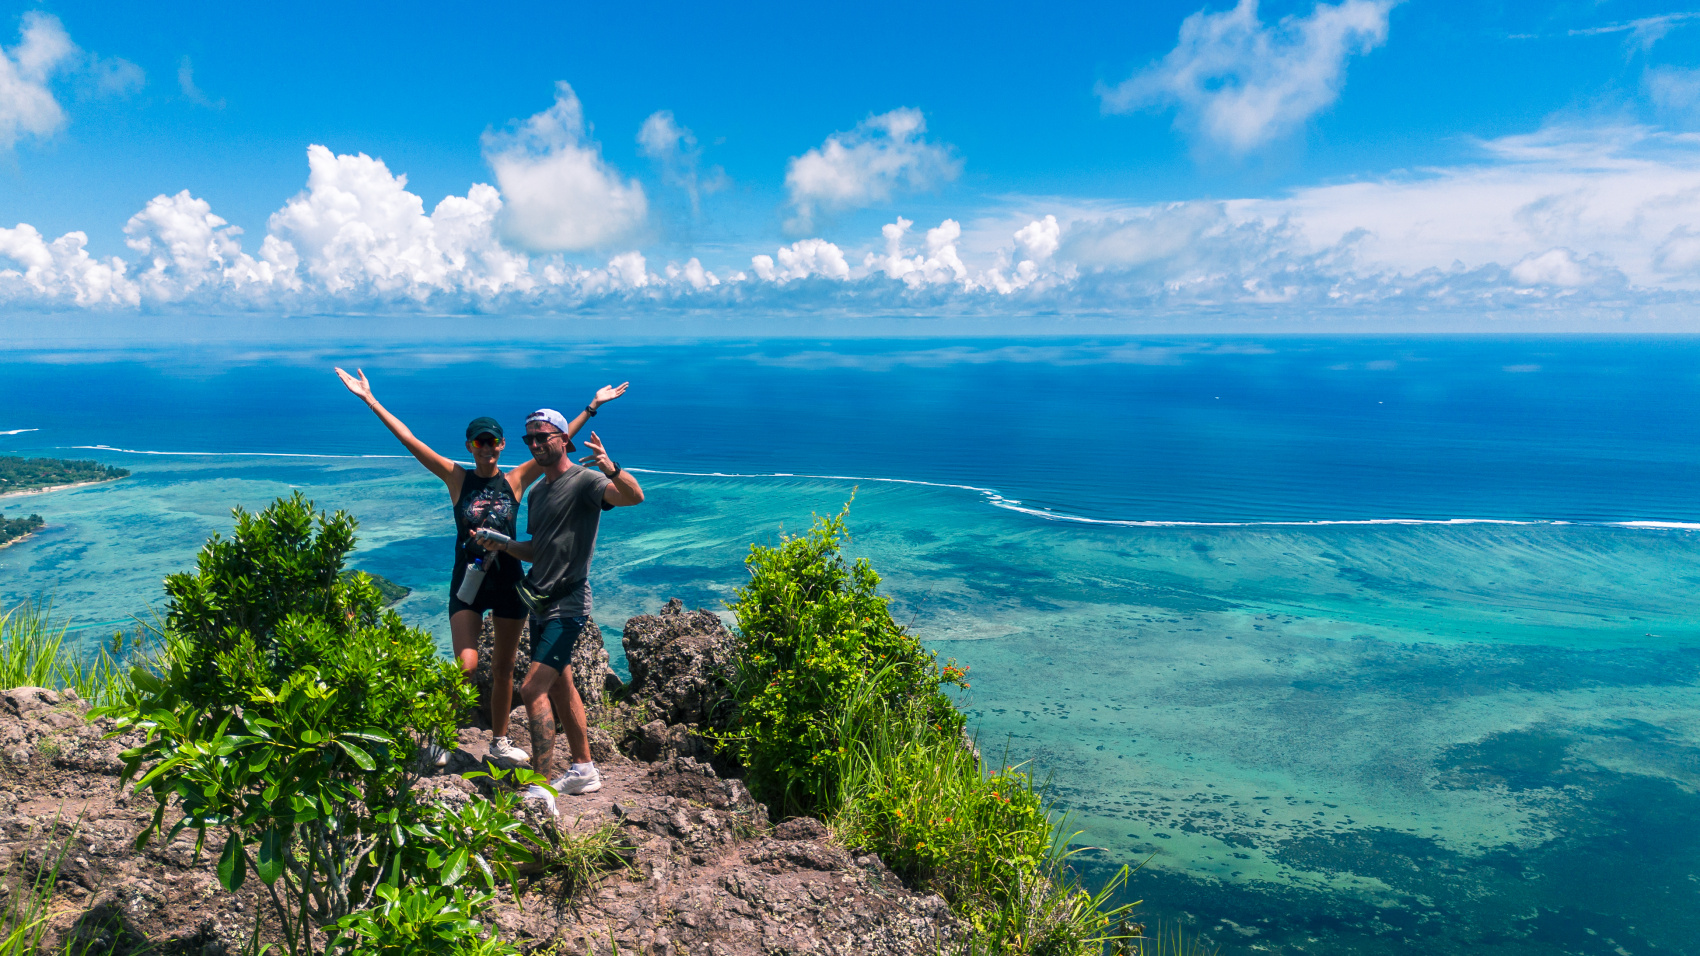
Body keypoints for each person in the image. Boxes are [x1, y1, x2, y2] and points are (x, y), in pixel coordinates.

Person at [334, 368, 628, 765]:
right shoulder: (457, 478)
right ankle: (439, 735)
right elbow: (410, 441)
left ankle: (499, 741)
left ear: (503, 446)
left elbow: (554, 442)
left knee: (505, 668)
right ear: (470, 446)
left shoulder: (517, 479)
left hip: (509, 582)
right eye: (479, 442)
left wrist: (591, 407)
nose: (486, 449)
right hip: (467, 582)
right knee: (467, 665)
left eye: (493, 442)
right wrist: (370, 400)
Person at [474, 410, 643, 809]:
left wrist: (613, 467)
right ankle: (584, 770)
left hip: (568, 604)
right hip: (539, 601)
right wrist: (502, 544)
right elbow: (538, 549)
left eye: (543, 437)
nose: (535, 445)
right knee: (561, 683)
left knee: (531, 687)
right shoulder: (537, 494)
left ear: (564, 439)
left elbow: (633, 497)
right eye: (529, 439)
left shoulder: (585, 481)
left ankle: (541, 786)